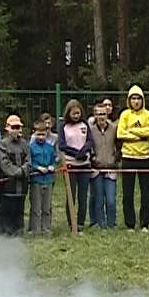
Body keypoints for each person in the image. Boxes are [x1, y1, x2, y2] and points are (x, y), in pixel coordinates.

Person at [117, 85, 149, 232]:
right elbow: (120, 134)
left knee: (146, 192)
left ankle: (145, 223)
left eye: (138, 98)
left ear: (143, 100)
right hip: (128, 157)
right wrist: (141, 134)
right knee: (128, 192)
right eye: (133, 98)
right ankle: (130, 224)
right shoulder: (125, 115)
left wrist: (132, 131)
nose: (136, 101)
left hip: (144, 157)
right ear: (129, 100)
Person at [58, 99, 94, 232]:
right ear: (68, 113)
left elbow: (90, 141)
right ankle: (71, 223)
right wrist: (76, 154)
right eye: (73, 114)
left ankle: (81, 223)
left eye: (78, 113)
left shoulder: (85, 125)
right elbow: (62, 145)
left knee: (83, 196)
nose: (76, 116)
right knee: (71, 196)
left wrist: (84, 152)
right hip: (70, 165)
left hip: (85, 165)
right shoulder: (63, 126)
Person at [89, 102, 119, 229]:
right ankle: (100, 224)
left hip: (111, 168)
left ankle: (111, 224)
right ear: (94, 115)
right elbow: (87, 146)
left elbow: (120, 146)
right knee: (98, 199)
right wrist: (93, 158)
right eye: (98, 114)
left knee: (111, 200)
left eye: (103, 114)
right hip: (96, 169)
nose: (101, 117)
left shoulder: (113, 128)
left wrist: (116, 158)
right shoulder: (90, 130)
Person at [0, 115, 30, 236]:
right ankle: (6, 231)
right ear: (8, 128)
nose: (17, 130)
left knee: (19, 208)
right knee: (7, 209)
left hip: (22, 185)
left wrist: (24, 170)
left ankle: (18, 229)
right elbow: (4, 163)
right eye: (14, 127)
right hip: (8, 185)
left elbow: (28, 160)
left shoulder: (25, 144)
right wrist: (17, 172)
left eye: (19, 127)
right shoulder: (3, 144)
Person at [28, 119, 56, 235]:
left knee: (47, 206)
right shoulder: (31, 147)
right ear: (34, 133)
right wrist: (37, 168)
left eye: (43, 134)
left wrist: (52, 166)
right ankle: (35, 229)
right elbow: (29, 163)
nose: (41, 137)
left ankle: (46, 229)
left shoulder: (50, 147)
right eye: (38, 134)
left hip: (48, 180)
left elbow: (54, 160)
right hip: (36, 180)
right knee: (36, 206)